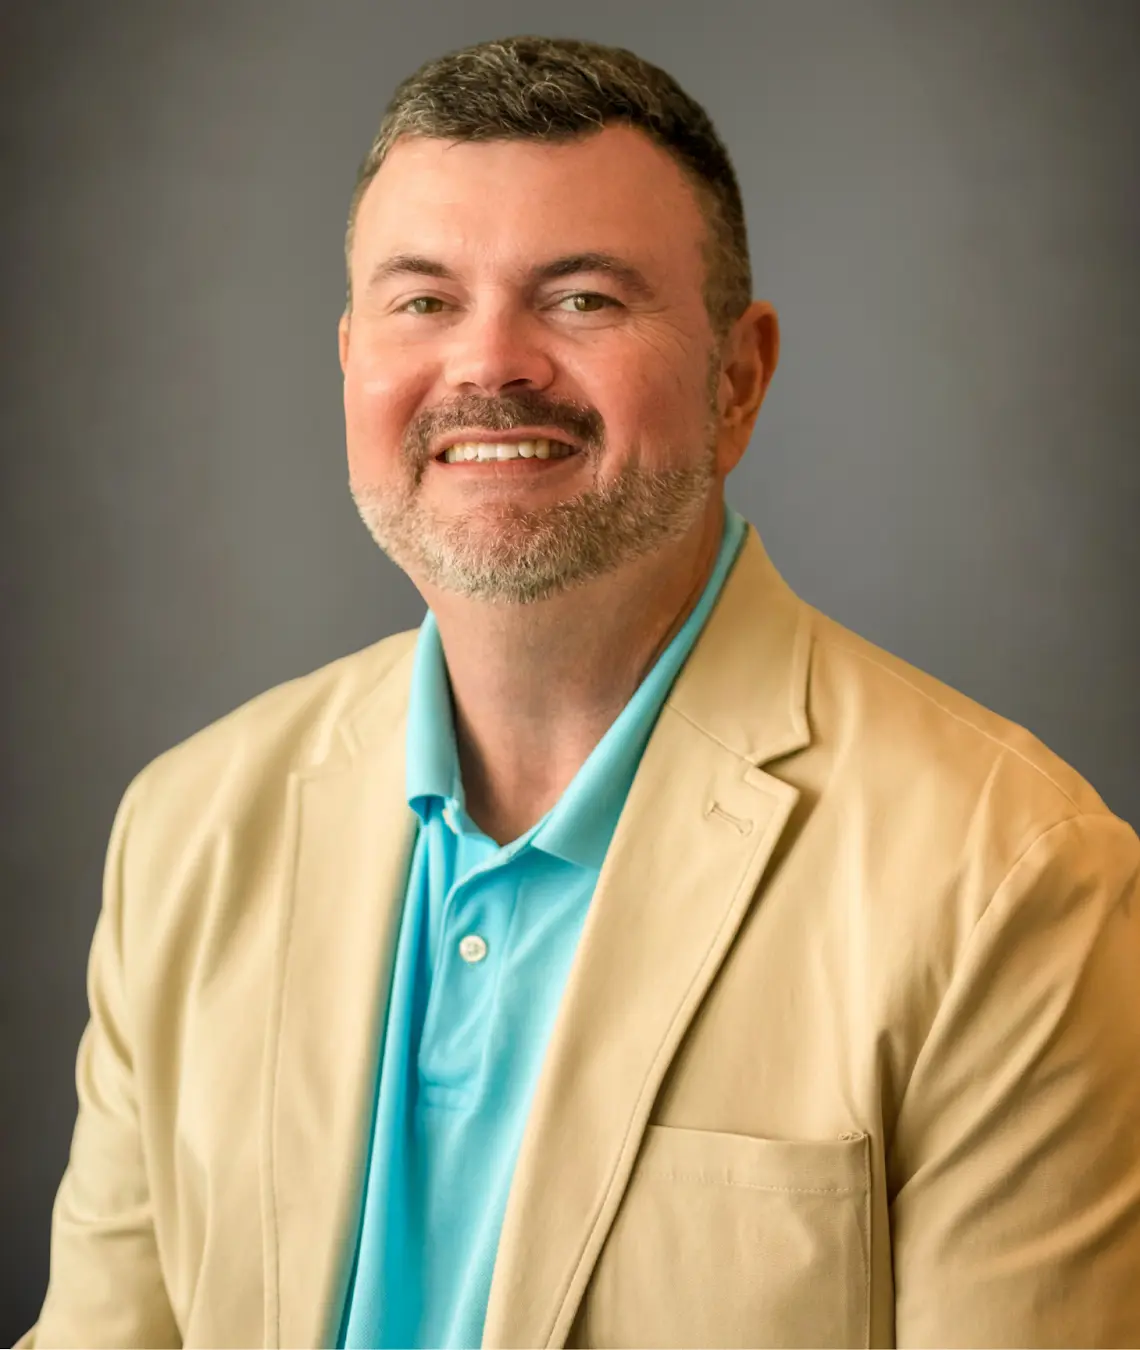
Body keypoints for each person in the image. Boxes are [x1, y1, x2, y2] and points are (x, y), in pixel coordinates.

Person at [20, 33, 1140, 1350]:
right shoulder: (186, 830)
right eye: (423, 301)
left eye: (584, 299)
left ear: (739, 379)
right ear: (348, 361)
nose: (490, 364)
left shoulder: (1010, 881)